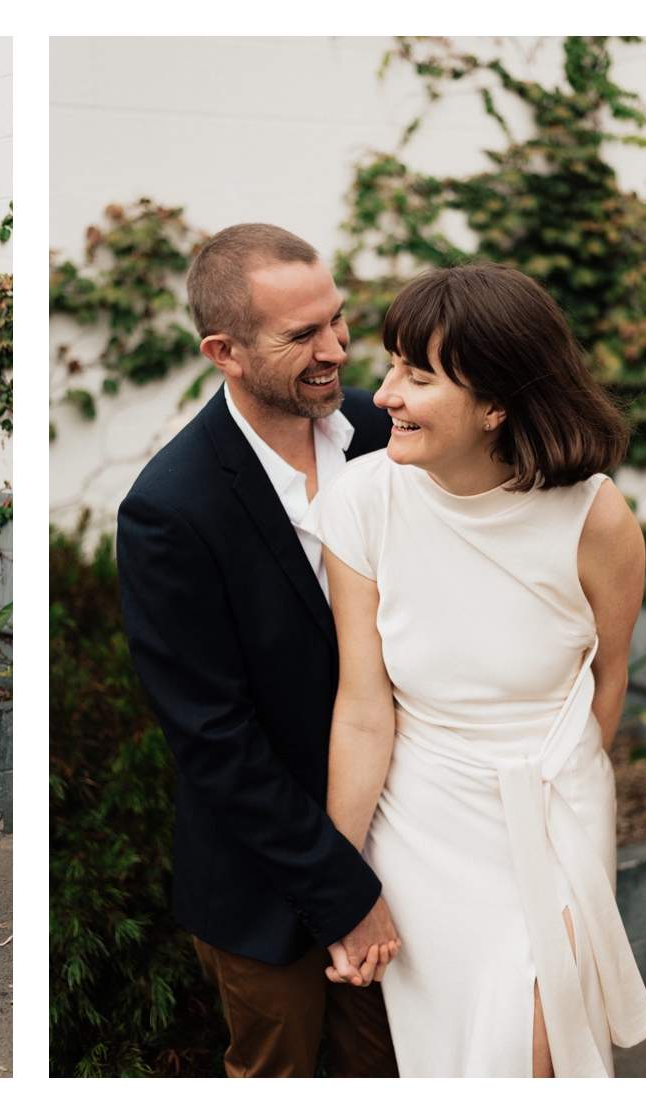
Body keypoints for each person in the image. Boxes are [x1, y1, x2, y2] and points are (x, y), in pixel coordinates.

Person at [307, 262, 646, 1076]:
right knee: (459, 1058)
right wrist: (338, 883)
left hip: (552, 809)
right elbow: (363, 707)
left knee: (539, 1045)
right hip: (422, 822)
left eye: (417, 375)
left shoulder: (595, 516)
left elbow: (608, 682)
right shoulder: (362, 502)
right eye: (392, 364)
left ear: (498, 402)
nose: (385, 393)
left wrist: (564, 789)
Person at [117, 224, 401, 1078]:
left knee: (402, 1072)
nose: (336, 350)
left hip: (412, 840)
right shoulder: (170, 508)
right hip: (266, 882)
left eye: (338, 320)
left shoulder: (382, 432)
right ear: (224, 351)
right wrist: (342, 894)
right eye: (301, 336)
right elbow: (215, 739)